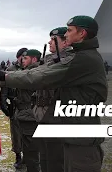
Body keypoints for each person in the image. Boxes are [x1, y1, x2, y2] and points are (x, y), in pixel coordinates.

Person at [0, 15, 107, 172]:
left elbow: (40, 77)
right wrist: (3, 77)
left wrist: (3, 76)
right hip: (71, 131)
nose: (67, 34)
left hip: (81, 134)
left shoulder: (84, 59)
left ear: (82, 33)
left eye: (69, 31)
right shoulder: (80, 56)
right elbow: (38, 72)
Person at [35, 27, 72, 172]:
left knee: (56, 162)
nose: (49, 42)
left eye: (54, 39)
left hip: (57, 119)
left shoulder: (67, 61)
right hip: (45, 117)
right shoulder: (50, 61)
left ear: (65, 42)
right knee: (44, 159)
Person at [0, 47, 27, 169]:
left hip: (27, 106)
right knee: (16, 133)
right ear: (18, 57)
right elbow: (5, 89)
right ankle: (18, 156)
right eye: (23, 56)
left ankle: (27, 156)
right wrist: (3, 104)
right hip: (14, 105)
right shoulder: (11, 69)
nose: (24, 59)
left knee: (27, 132)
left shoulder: (30, 68)